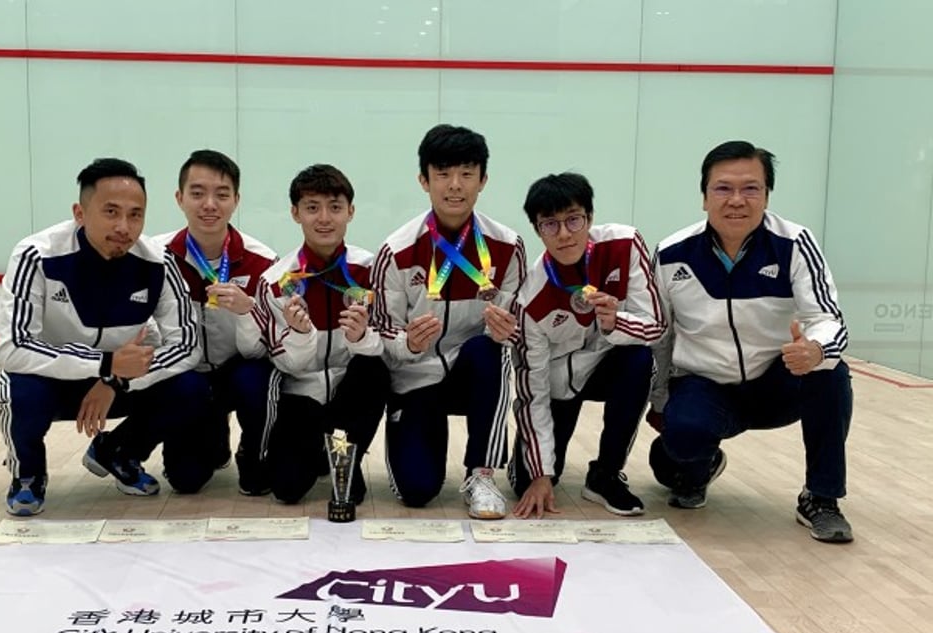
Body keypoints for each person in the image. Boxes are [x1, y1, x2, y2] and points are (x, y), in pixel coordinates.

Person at [648, 140, 853, 543]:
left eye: (751, 189)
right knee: (680, 444)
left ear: (766, 195)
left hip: (778, 382)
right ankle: (699, 466)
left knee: (831, 372)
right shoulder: (672, 254)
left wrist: (814, 350)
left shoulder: (795, 244)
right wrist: (659, 403)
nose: (737, 200)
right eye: (723, 188)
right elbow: (660, 336)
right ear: (704, 197)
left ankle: (822, 498)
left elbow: (828, 318)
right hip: (705, 387)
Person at [0, 158, 205, 516]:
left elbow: (187, 346)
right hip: (53, 382)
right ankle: (28, 474)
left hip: (120, 382)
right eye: (111, 212)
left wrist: (114, 379)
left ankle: (120, 452)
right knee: (17, 388)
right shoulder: (36, 255)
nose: (124, 226)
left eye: (135, 214)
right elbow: (13, 348)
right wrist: (103, 362)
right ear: (80, 212)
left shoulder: (159, 262)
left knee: (191, 389)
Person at [372, 124, 526, 519]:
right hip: (415, 376)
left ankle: (482, 473)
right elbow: (380, 329)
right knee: (416, 491)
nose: (454, 185)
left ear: (483, 180)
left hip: (472, 374)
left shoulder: (508, 246)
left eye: (466, 174)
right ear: (424, 180)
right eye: (442, 174)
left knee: (490, 348)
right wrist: (408, 343)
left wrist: (508, 331)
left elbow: (519, 321)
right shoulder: (397, 250)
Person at [510, 172, 665, 519]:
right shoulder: (530, 299)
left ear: (590, 218)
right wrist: (540, 473)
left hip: (611, 365)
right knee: (527, 483)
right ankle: (527, 462)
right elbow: (532, 390)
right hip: (557, 388)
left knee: (639, 359)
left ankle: (607, 473)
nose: (564, 234)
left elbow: (655, 326)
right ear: (538, 230)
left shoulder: (624, 245)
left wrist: (615, 323)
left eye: (573, 219)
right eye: (550, 224)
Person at [258, 164, 389, 504]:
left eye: (334, 207)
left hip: (352, 393)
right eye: (312, 207)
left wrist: (361, 338)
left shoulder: (371, 270)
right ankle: (320, 449)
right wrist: (302, 335)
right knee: (287, 490)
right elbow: (285, 363)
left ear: (351, 212)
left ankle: (348, 458)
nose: (324, 218)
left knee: (373, 369)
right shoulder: (275, 281)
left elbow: (387, 341)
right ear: (295, 213)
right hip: (302, 395)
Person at [152, 149, 277, 495]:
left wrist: (247, 310)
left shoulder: (262, 261)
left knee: (258, 377)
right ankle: (212, 431)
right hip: (185, 377)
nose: (210, 204)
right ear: (179, 198)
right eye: (197, 193)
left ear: (236, 200)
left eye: (222, 194)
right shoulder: (154, 257)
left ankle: (253, 454)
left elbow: (271, 341)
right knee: (186, 481)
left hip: (238, 371)